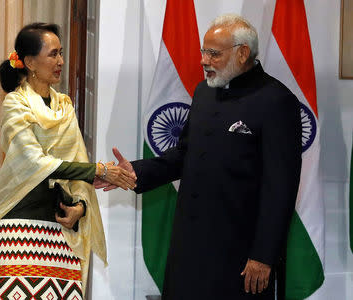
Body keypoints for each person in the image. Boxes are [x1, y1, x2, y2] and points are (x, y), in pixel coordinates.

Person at [95, 14, 302, 299]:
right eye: (203, 51)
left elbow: (281, 187)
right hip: (190, 247)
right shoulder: (204, 92)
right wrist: (135, 173)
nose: (203, 60)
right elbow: (185, 156)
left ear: (242, 54)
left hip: (240, 257)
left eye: (213, 54)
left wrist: (264, 256)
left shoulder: (277, 101)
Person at [0, 23, 136, 300]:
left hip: (61, 234)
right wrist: (99, 170)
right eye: (53, 54)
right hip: (19, 229)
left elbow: (75, 161)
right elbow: (34, 163)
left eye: (61, 53)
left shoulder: (64, 106)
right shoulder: (14, 105)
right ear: (30, 62)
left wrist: (80, 206)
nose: (61, 62)